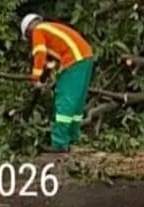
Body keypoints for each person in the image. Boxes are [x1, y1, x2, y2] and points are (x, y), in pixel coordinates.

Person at [21, 13, 95, 153]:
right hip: (85, 56)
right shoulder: (51, 29)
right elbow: (52, 60)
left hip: (74, 59)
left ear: (28, 32)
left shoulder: (38, 30)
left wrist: (35, 78)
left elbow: (40, 53)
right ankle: (72, 137)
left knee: (65, 100)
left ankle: (59, 143)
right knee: (76, 101)